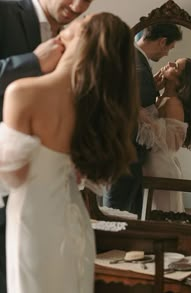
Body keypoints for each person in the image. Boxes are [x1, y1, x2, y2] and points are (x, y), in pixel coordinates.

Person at [0, 12, 139, 293]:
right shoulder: (96, 109)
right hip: (73, 216)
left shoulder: (23, 92)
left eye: (83, 19)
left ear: (81, 35)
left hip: (32, 218)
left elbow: (13, 175)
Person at [0, 0, 93, 291]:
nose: (79, 5)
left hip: (56, 202)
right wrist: (32, 63)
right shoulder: (3, 14)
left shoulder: (84, 37)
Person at [103, 23, 182, 217]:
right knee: (117, 212)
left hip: (123, 152)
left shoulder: (132, 57)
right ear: (162, 42)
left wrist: (152, 88)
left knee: (123, 210)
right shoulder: (137, 63)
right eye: (169, 49)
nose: (166, 56)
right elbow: (127, 104)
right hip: (125, 153)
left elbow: (134, 98)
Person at [137, 58, 191, 212]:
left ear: (182, 81)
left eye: (176, 66)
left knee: (160, 214)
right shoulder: (161, 98)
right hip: (152, 164)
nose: (169, 63)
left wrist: (139, 111)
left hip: (161, 167)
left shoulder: (174, 103)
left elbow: (169, 142)